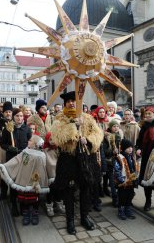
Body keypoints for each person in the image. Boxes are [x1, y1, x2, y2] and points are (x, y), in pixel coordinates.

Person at [50, 91, 103, 235]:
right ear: (65, 104)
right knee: (68, 191)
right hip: (68, 159)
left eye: (74, 101)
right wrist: (73, 125)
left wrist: (89, 139)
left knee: (85, 189)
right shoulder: (59, 119)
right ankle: (70, 221)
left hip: (85, 159)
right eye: (69, 101)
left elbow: (98, 133)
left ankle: (85, 217)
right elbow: (57, 137)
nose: (72, 103)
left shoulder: (87, 117)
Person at [0, 135, 49, 225]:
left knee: (36, 199)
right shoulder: (24, 153)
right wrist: (5, 166)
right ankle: (26, 214)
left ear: (35, 144)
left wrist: (40, 181)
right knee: (24, 199)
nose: (28, 141)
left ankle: (34, 214)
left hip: (35, 181)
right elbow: (16, 160)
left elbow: (42, 169)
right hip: (24, 180)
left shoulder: (41, 155)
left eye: (30, 140)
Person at [0, 107, 32, 216]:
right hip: (12, 158)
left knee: (22, 180)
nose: (19, 118)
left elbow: (29, 141)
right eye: (17, 116)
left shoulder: (27, 129)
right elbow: (2, 143)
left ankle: (22, 203)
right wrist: (9, 148)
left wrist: (27, 148)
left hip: (24, 157)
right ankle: (13, 204)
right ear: (13, 117)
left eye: (21, 116)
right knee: (13, 181)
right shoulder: (8, 129)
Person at [136, 106, 154, 211]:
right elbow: (139, 140)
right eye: (146, 114)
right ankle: (148, 201)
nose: (147, 116)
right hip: (146, 157)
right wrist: (139, 148)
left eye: (149, 114)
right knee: (146, 180)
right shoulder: (144, 126)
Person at [114, 139, 139, 220]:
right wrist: (121, 180)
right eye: (128, 147)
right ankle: (121, 210)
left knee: (130, 195)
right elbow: (117, 170)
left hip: (131, 182)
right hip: (123, 182)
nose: (130, 149)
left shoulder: (132, 157)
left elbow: (134, 168)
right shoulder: (119, 158)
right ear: (124, 148)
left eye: (131, 147)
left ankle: (127, 209)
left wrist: (135, 178)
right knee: (122, 196)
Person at [44, 132, 65, 217]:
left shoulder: (59, 149)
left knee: (59, 190)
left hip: (58, 173)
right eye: (50, 139)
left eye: (54, 139)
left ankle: (59, 203)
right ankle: (49, 205)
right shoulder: (45, 150)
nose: (52, 141)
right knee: (50, 191)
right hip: (50, 174)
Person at [103, 119, 123, 207]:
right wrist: (112, 151)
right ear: (110, 127)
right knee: (111, 179)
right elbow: (104, 151)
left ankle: (117, 197)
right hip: (109, 161)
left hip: (118, 161)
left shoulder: (119, 136)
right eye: (114, 126)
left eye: (117, 126)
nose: (116, 128)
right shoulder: (106, 137)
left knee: (116, 179)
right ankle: (114, 199)